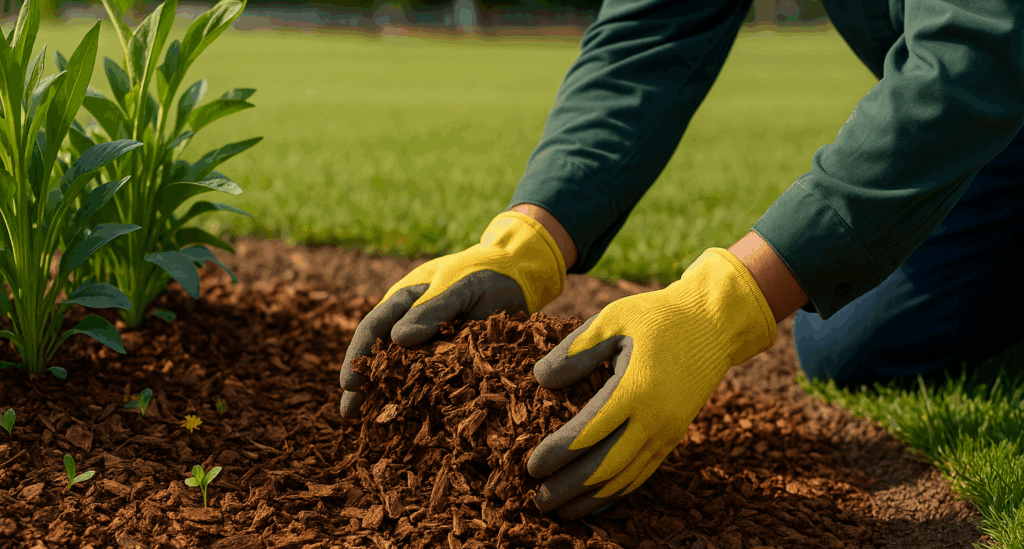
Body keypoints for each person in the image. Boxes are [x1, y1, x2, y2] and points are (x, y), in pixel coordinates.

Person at [340, 0, 1024, 519]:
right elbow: (650, 29)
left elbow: (974, 48)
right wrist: (525, 241)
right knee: (847, 342)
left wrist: (722, 302)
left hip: (998, 77)